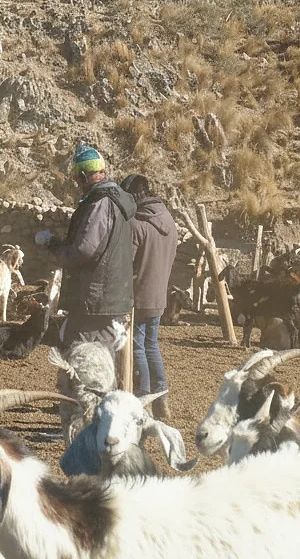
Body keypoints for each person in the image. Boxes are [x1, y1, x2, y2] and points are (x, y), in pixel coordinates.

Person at [37, 145, 136, 426]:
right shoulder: (117, 202)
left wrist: (52, 246)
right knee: (99, 362)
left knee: (81, 365)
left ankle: (84, 426)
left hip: (95, 298)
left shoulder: (99, 203)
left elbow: (84, 250)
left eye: (76, 179)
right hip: (108, 296)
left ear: (82, 176)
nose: (76, 185)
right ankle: (98, 423)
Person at [120, 174, 176, 421]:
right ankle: (161, 396)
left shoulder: (136, 225)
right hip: (159, 294)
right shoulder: (168, 221)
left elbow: (125, 263)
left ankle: (141, 397)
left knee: (138, 346)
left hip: (139, 295)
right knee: (152, 345)